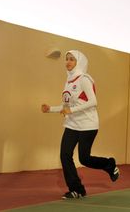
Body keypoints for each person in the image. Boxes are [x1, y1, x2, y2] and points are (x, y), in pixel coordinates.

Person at [41, 50, 119, 199]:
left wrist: (72, 110)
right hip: (72, 124)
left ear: (79, 62)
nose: (68, 62)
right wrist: (50, 109)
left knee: (84, 159)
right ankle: (77, 189)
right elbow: (66, 107)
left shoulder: (84, 79)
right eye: (67, 59)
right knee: (65, 155)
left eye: (72, 59)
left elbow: (93, 101)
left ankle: (109, 164)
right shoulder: (68, 82)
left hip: (88, 125)